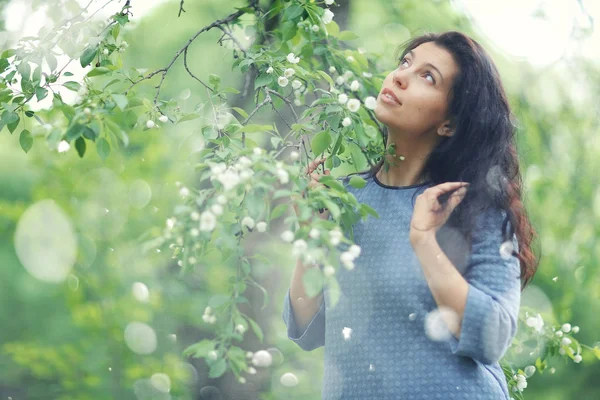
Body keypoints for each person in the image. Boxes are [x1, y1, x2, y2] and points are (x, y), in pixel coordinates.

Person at [283, 31, 540, 399]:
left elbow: (493, 337)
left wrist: (423, 240)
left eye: (428, 76)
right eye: (406, 62)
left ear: (448, 123)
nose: (400, 76)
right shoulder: (346, 200)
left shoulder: (469, 207)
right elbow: (305, 328)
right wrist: (311, 232)